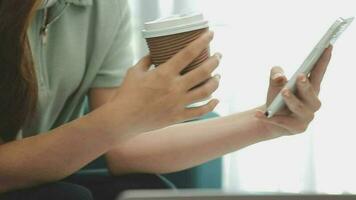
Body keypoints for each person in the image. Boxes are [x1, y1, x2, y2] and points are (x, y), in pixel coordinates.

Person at [0, 0, 333, 199]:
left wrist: (267, 121)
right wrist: (119, 119)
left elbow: (124, 149)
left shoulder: (105, 8)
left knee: (141, 189)